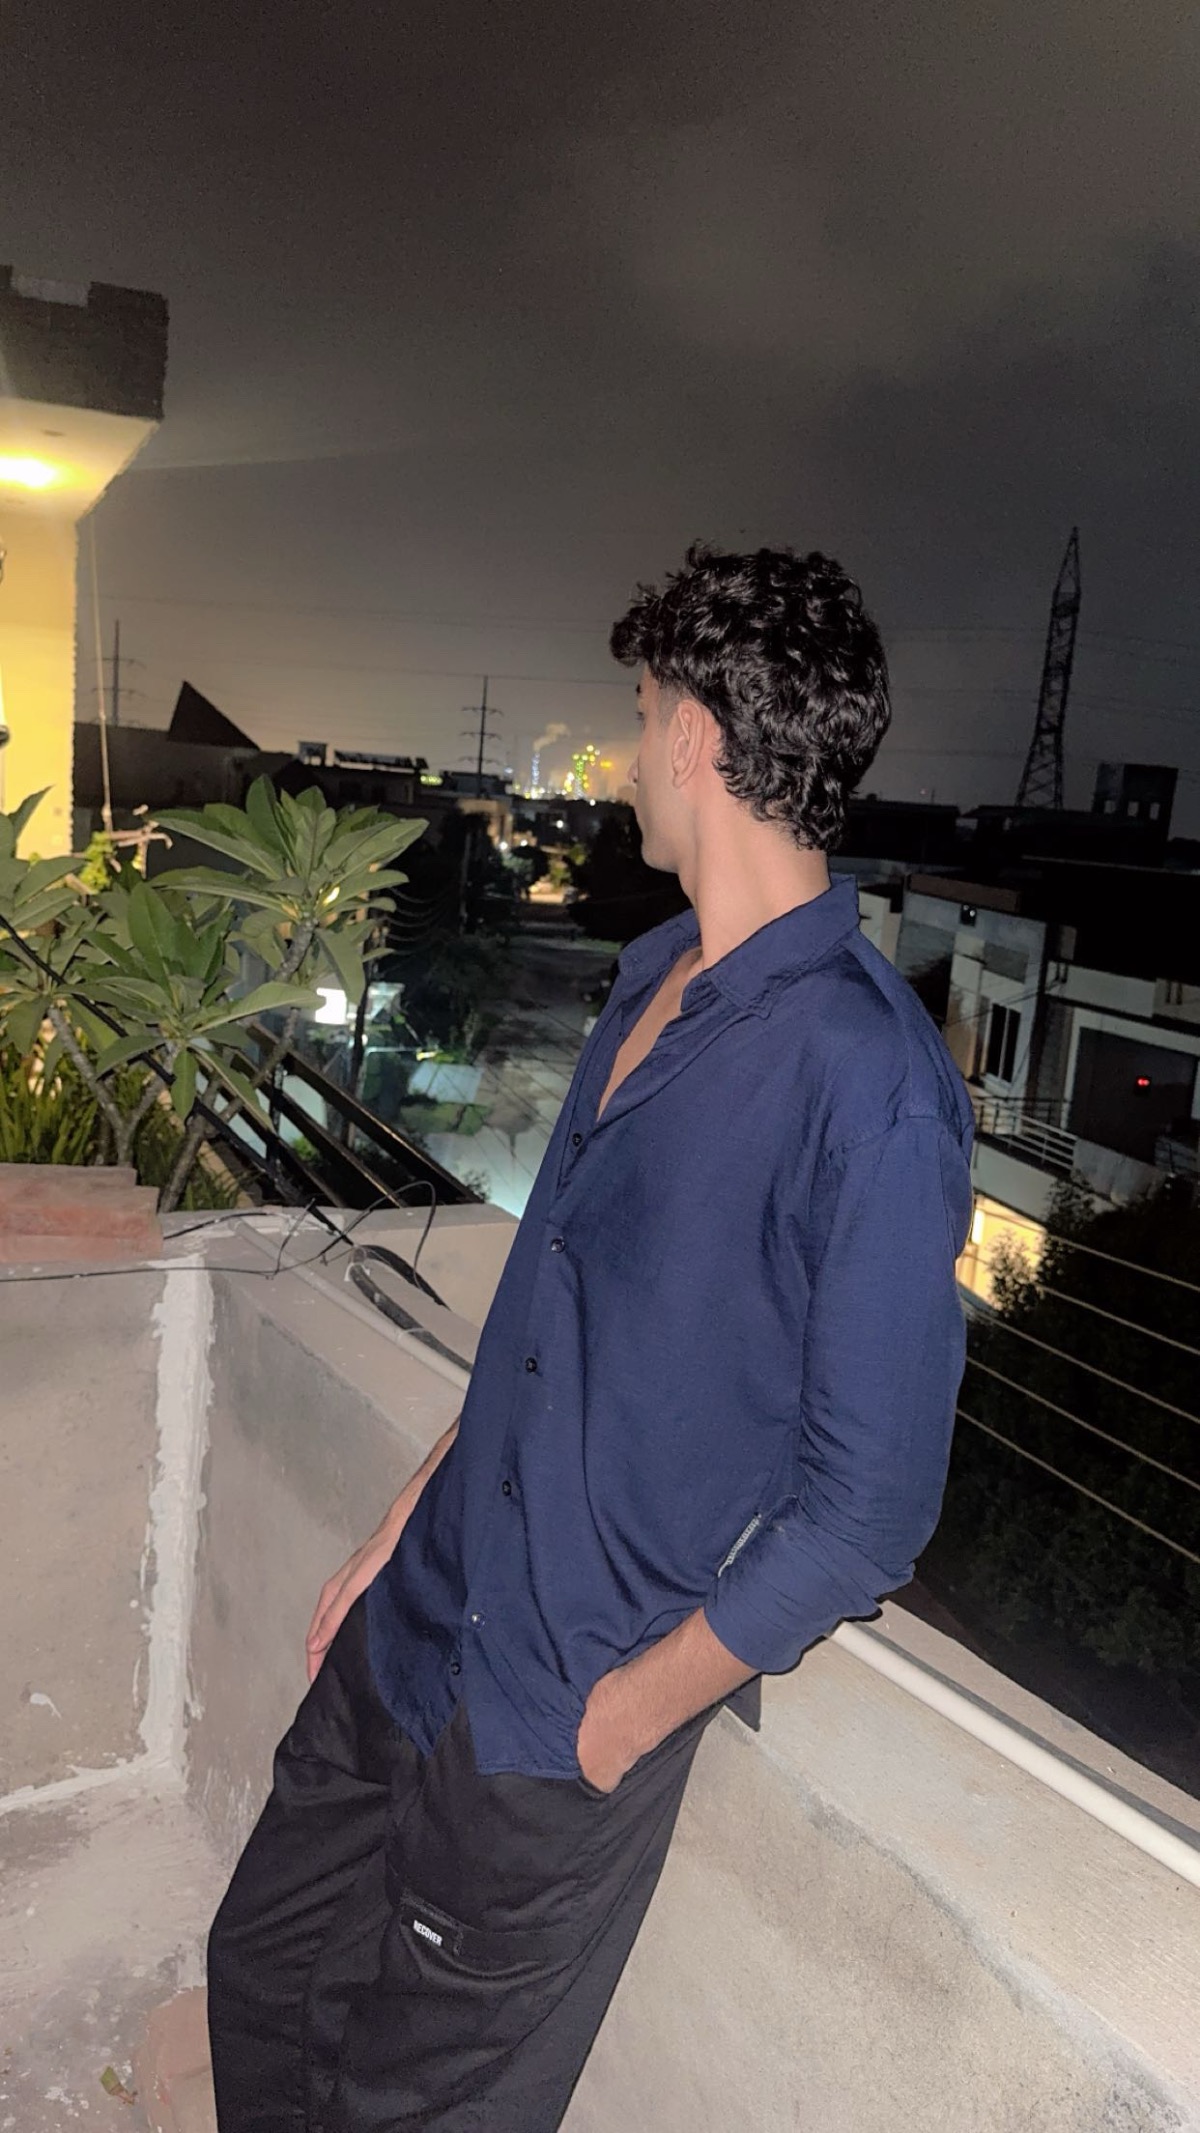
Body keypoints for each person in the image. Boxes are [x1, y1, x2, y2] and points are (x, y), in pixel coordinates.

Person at [207, 542, 974, 2132]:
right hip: (418, 1626)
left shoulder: (873, 1087)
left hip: (550, 1719)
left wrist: (619, 1719)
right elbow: (547, 1323)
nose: (625, 760)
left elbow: (869, 1513)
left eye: (637, 717)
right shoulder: (649, 985)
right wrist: (401, 1523)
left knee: (414, 2106)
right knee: (265, 1969)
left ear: (694, 734)